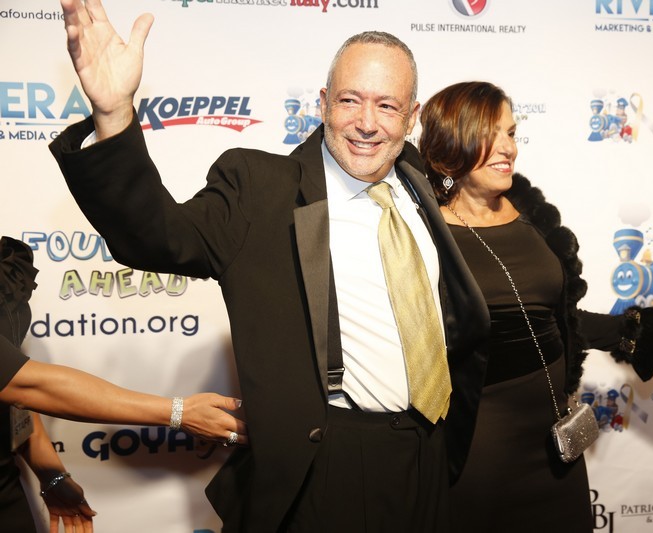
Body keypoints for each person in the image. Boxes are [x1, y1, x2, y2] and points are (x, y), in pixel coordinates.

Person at [50, 1, 488, 531]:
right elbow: (156, 237)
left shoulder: (417, 183)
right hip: (326, 464)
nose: (367, 124)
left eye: (387, 106)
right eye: (350, 100)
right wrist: (115, 114)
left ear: (411, 116)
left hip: (429, 457)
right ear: (323, 103)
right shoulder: (260, 189)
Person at [418, 81, 653, 532]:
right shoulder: (424, 233)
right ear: (452, 142)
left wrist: (652, 322)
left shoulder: (529, 214)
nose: (508, 148)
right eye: (490, 134)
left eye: (511, 133)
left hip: (556, 446)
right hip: (480, 453)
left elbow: (559, 321)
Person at [1, 236, 247, 532]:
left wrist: (51, 475)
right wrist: (181, 412)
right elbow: (25, 385)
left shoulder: (9, 261)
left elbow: (15, 389)